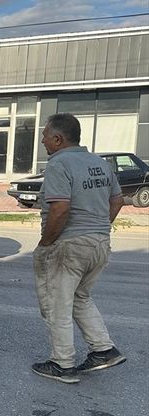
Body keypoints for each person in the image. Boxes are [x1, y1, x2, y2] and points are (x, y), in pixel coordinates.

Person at [31, 113, 126, 384]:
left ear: (58, 139)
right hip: (99, 242)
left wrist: (46, 243)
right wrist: (97, 228)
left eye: (45, 136)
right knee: (80, 297)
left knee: (57, 304)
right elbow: (118, 201)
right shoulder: (100, 163)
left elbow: (60, 209)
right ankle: (103, 350)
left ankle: (62, 364)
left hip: (68, 245)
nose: (42, 141)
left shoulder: (59, 164)